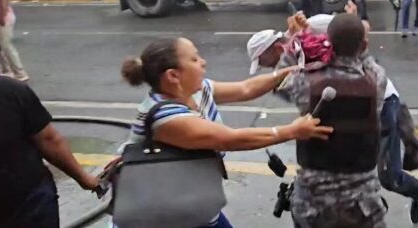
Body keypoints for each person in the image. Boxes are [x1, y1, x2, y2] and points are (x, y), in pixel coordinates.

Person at [120, 37, 334, 227]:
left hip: (190, 197)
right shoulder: (167, 118)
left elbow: (245, 89)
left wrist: (285, 73)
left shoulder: (195, 89)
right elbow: (231, 139)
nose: (203, 62)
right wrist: (292, 131)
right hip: (164, 212)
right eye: (194, 60)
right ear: (173, 75)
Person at [0, 20, 99, 228]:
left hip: (31, 205)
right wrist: (84, 179)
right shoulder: (9, 91)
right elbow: (49, 140)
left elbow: (49, 140)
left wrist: (85, 179)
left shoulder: (9, 92)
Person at [276, 13, 389, 228]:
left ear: (328, 41)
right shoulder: (376, 79)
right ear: (363, 43)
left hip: (312, 201)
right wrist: (358, 33)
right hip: (362, 203)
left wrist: (296, 38)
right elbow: (366, 60)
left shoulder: (305, 81)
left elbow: (279, 79)